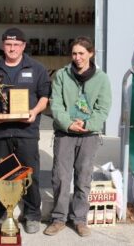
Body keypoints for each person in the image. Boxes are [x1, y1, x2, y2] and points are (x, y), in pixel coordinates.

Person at [0, 27, 51, 234]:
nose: (12, 48)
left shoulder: (36, 69)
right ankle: (2, 213)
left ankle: (32, 215)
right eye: (8, 45)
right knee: (2, 176)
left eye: (16, 45)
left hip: (26, 131)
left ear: (23, 46)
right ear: (3, 45)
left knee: (30, 175)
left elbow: (45, 96)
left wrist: (35, 111)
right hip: (0, 132)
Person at [43, 36, 111, 237]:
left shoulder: (102, 78)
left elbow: (103, 107)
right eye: (74, 53)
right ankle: (58, 218)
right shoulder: (62, 75)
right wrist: (68, 123)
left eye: (82, 53)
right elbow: (55, 104)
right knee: (61, 177)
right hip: (65, 133)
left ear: (91, 53)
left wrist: (88, 124)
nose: (78, 57)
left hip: (89, 135)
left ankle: (80, 219)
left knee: (83, 177)